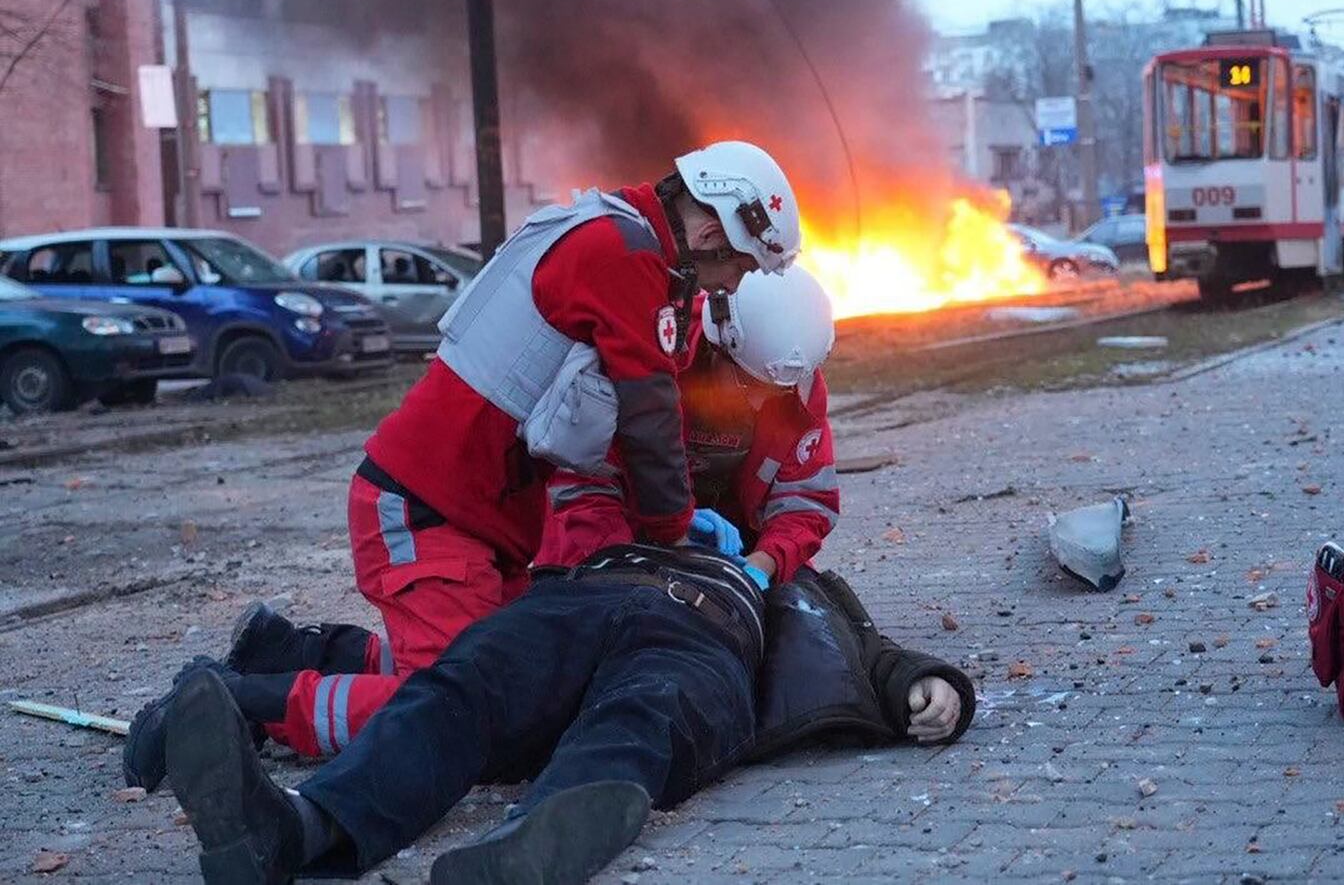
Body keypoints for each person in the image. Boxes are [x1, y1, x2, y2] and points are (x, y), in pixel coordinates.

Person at [122, 142, 802, 792]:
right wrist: (674, 532)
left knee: (521, 678)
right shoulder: (624, 256)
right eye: (741, 268)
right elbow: (648, 415)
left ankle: (288, 653)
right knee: (458, 707)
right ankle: (232, 705)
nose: (732, 285)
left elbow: (619, 426)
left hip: (473, 518)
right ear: (715, 231)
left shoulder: (620, 241)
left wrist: (661, 523)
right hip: (429, 509)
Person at [161, 541, 975, 884]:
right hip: (576, 604)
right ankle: (295, 831)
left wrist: (925, 684)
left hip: (703, 641)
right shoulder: (620, 492)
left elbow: (861, 643)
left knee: (642, 714)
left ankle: (533, 843)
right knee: (458, 688)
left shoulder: (789, 565)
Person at [538, 265, 840, 587]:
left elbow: (805, 503)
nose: (759, 403)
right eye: (748, 384)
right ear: (717, 347)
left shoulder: (791, 384)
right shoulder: (643, 362)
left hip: (739, 554)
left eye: (775, 392)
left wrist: (763, 564)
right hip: (619, 541)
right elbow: (581, 490)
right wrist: (655, 544)